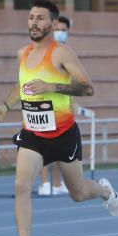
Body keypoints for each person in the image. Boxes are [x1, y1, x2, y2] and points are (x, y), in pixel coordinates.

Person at [0, 0, 118, 236]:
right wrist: (4, 106)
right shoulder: (22, 54)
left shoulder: (62, 53)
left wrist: (50, 85)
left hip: (63, 134)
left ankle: (105, 191)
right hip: (33, 134)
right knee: (20, 186)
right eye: (30, 17)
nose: (33, 23)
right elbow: (21, 85)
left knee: (79, 192)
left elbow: (88, 88)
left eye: (40, 18)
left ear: (52, 23)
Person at [39, 16, 73, 196]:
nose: (60, 32)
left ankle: (58, 184)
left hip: (62, 107)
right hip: (44, 104)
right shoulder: (44, 50)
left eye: (64, 29)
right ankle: (45, 183)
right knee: (45, 148)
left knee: (61, 148)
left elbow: (70, 82)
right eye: (58, 29)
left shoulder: (68, 53)